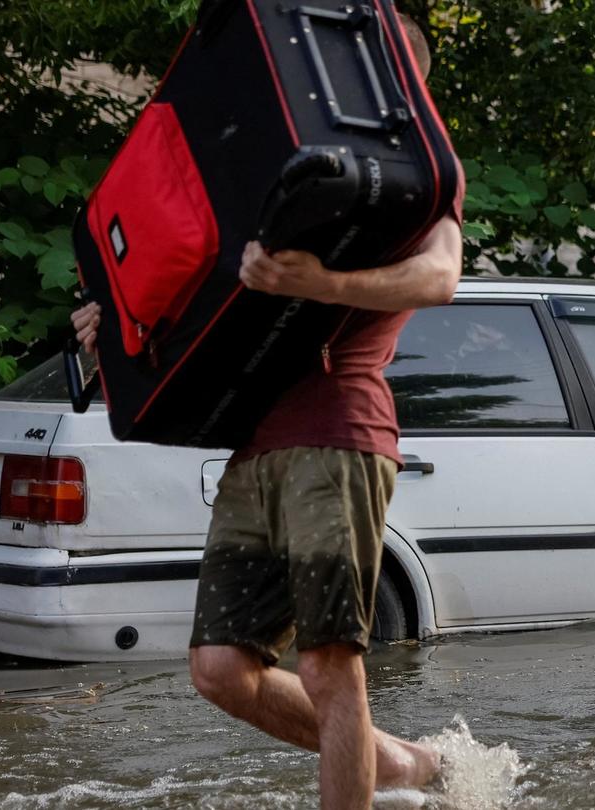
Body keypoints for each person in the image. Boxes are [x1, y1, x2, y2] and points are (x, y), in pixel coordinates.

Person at [72, 14, 462, 809]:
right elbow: (204, 297)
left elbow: (441, 278)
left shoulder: (418, 183)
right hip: (255, 446)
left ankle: (377, 774)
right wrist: (113, 330)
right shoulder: (280, 163)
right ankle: (399, 764)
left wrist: (325, 286)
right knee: (220, 669)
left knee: (328, 663)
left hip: (338, 434)